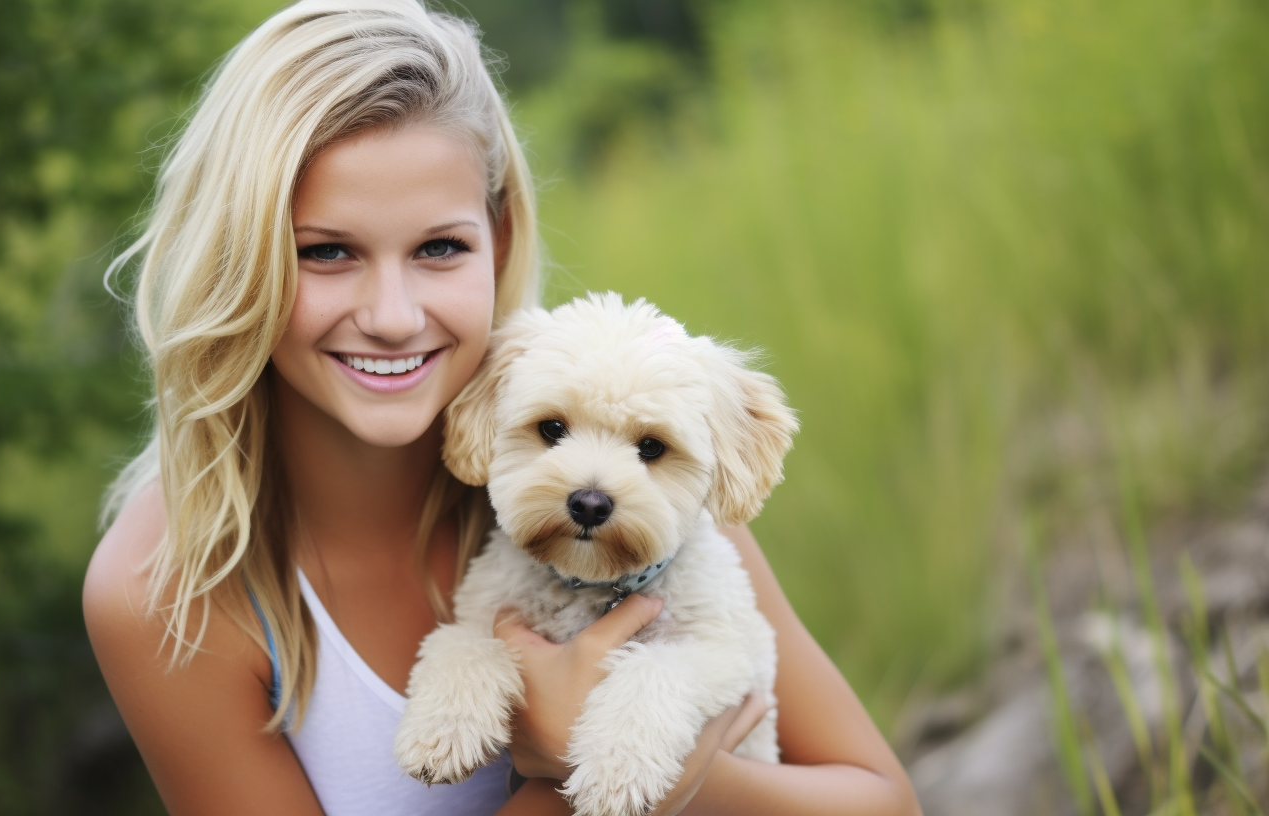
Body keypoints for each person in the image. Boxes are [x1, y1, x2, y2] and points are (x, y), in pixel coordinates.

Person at [83, 1, 924, 814]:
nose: (391, 316)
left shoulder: (650, 465)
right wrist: (563, 782)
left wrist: (686, 782)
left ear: (502, 241)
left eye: (439, 248)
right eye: (326, 252)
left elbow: (881, 801)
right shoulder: (167, 591)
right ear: (240, 263)